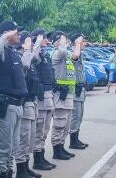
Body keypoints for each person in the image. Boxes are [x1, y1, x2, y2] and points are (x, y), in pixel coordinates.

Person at [0, 22, 31, 178]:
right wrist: (5, 36)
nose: (19, 34)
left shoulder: (12, 51)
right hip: (6, 105)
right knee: (3, 146)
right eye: (15, 32)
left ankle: (9, 177)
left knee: (13, 145)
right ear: (6, 34)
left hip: (17, 104)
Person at [14, 34, 44, 178]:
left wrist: (35, 46)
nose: (32, 45)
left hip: (32, 100)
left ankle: (26, 166)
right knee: (24, 137)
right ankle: (20, 170)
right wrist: (27, 49)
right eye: (29, 42)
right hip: (24, 103)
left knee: (30, 137)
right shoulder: (19, 57)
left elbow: (35, 59)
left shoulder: (29, 56)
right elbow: (25, 65)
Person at [48, 31, 81, 161]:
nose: (66, 41)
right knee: (59, 123)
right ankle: (56, 149)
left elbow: (75, 56)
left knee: (66, 124)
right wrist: (75, 42)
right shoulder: (57, 53)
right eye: (63, 39)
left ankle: (61, 146)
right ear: (57, 42)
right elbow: (74, 53)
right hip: (60, 94)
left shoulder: (65, 55)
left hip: (68, 93)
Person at [32, 31, 60, 170]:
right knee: (39, 128)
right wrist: (37, 43)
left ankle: (41, 156)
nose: (47, 41)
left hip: (49, 95)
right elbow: (32, 59)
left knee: (45, 129)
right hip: (41, 96)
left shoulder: (46, 55)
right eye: (44, 38)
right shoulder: (35, 54)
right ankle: (37, 159)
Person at [68, 33, 90, 151]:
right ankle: (73, 140)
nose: (84, 43)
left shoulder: (81, 54)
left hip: (81, 88)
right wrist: (77, 43)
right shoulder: (74, 52)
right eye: (83, 41)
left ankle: (76, 138)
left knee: (80, 115)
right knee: (76, 116)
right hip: (75, 90)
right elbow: (74, 57)